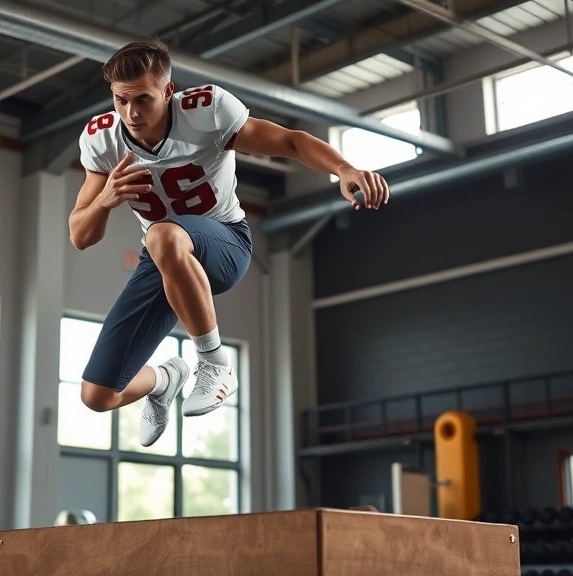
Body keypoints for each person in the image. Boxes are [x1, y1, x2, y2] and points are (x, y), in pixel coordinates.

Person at [70, 38, 389, 448]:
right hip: (165, 260)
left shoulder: (206, 112)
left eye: (143, 100)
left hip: (224, 245)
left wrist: (343, 168)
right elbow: (81, 236)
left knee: (162, 233)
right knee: (97, 396)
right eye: (121, 100)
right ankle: (167, 379)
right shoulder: (104, 140)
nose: (131, 113)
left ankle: (214, 362)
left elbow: (289, 141)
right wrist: (105, 200)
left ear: (168, 92)